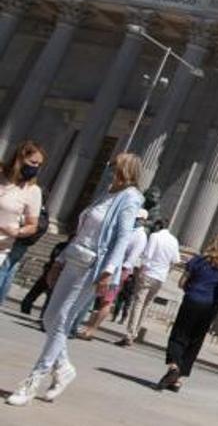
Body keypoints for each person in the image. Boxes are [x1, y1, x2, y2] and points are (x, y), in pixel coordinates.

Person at [6, 153, 145, 406]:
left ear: (125, 170)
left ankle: (33, 381)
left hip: (93, 266)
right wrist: (58, 261)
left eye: (112, 165)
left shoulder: (131, 198)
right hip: (73, 259)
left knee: (61, 319)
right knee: (49, 317)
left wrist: (108, 271)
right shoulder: (106, 194)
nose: (108, 168)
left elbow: (123, 237)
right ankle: (64, 368)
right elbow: (82, 231)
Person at [158, 232, 218, 392]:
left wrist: (192, 288)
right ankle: (178, 380)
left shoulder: (198, 260)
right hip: (210, 308)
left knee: (179, 335)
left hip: (192, 301)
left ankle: (173, 366)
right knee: (195, 341)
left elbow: (182, 282)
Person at [79, 208, 148, 339]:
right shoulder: (128, 230)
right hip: (111, 265)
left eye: (137, 219)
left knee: (107, 300)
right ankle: (88, 325)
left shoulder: (141, 236)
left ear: (143, 221)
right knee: (98, 297)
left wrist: (122, 274)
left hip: (121, 269)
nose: (134, 220)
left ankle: (92, 328)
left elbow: (132, 258)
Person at [118, 217, 180, 346]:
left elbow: (147, 255)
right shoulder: (174, 240)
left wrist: (140, 271)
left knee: (138, 303)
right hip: (160, 277)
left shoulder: (155, 237)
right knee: (146, 305)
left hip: (148, 273)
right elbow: (176, 260)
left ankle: (129, 334)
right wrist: (166, 272)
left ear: (158, 226)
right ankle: (135, 333)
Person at [0, 141, 46, 304]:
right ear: (20, 158)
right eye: (33, 162)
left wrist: (17, 232)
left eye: (39, 165)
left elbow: (32, 225)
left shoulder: (33, 191)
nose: (36, 168)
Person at [20, 238, 69, 316]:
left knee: (45, 298)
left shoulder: (63, 246)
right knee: (37, 296)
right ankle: (29, 312)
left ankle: (37, 314)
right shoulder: (63, 246)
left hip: (53, 273)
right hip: (51, 272)